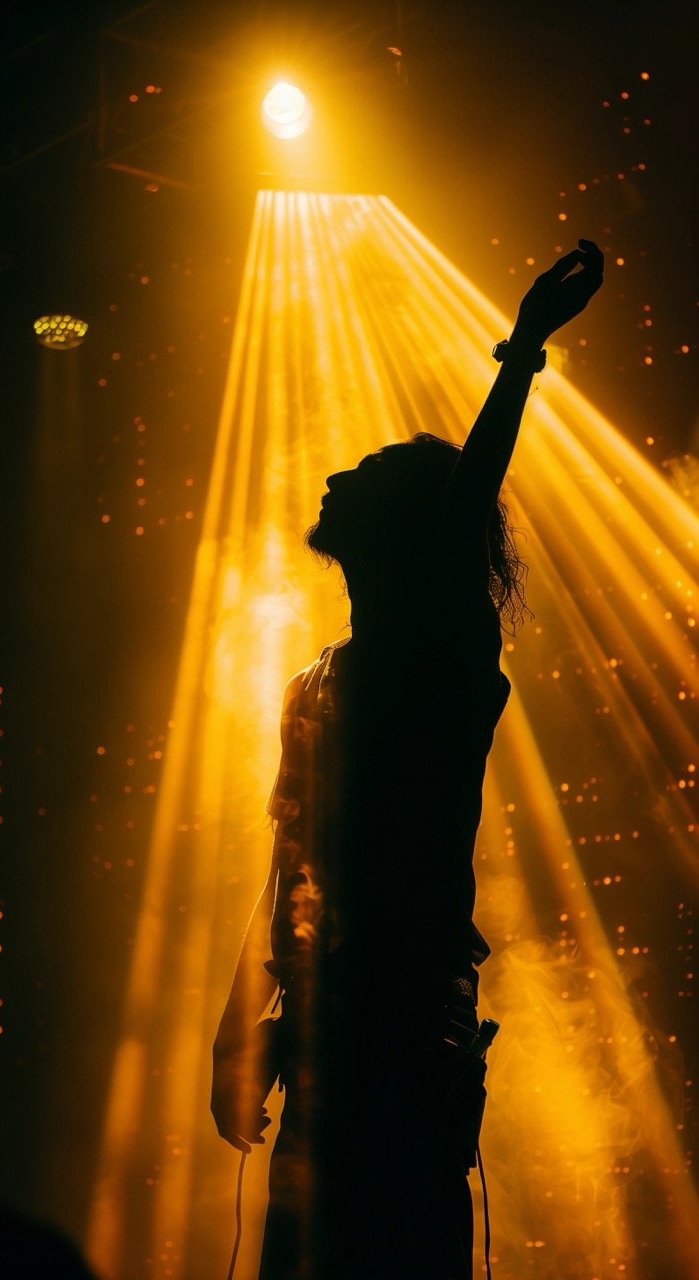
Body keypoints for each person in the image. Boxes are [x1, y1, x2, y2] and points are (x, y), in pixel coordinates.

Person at [211, 240, 604, 1279]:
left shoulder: (439, 654)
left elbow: (467, 496)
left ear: (419, 525)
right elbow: (286, 860)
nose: (340, 472)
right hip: (322, 1045)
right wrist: (237, 1020)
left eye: (374, 473)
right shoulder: (313, 682)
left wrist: (519, 354)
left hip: (403, 1048)